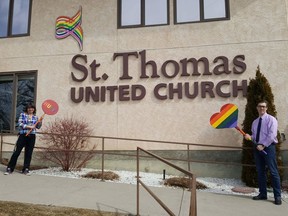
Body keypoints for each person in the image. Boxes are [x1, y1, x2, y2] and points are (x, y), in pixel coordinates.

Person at [244, 100, 282, 205]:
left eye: (264, 106)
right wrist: (249, 137)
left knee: (273, 172)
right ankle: (263, 194)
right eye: (260, 106)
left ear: (267, 108)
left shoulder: (271, 119)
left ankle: (277, 196)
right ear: (257, 108)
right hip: (257, 148)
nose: (262, 108)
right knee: (260, 172)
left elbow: (272, 134)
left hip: (268, 147)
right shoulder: (255, 122)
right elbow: (255, 137)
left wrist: (263, 145)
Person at [4, 103, 42, 175]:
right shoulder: (23, 115)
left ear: (34, 109)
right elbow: (19, 124)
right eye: (29, 108)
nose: (30, 109)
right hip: (23, 135)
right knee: (17, 152)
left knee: (29, 153)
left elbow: (38, 127)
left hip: (32, 136)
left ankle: (26, 169)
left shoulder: (35, 117)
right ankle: (10, 168)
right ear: (27, 109)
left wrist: (40, 122)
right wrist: (28, 126)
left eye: (32, 108)